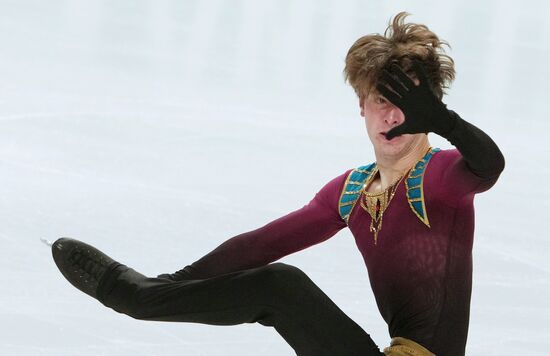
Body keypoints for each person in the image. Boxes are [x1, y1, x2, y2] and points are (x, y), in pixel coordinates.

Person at [51, 11, 505, 356]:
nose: (393, 115)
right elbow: (258, 248)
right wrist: (174, 283)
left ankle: (134, 297)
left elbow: (488, 165)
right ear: (361, 108)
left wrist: (445, 121)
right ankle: (145, 294)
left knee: (281, 287)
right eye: (381, 99)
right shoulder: (350, 192)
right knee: (276, 282)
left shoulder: (440, 175)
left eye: (410, 103)